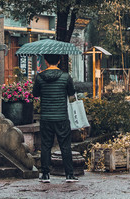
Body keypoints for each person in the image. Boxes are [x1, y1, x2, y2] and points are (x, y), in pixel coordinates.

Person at [32, 53, 77, 183]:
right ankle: (69, 175)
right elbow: (71, 92)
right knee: (65, 146)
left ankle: (45, 174)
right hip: (62, 117)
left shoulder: (40, 77)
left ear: (46, 61)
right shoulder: (65, 77)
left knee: (46, 146)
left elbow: (35, 93)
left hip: (46, 117)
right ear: (58, 61)